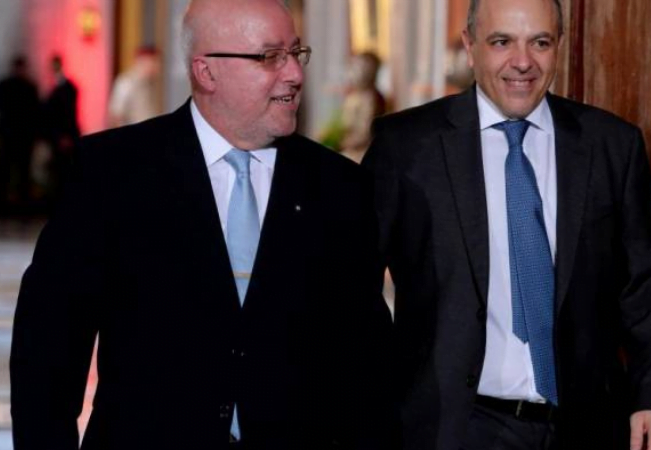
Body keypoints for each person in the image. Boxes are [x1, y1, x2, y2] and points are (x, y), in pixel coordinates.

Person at [11, 1, 396, 449]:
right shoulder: (113, 172)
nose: (294, 73)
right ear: (206, 71)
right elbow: (48, 347)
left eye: (296, 53)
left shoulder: (339, 186)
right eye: (270, 57)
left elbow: (366, 364)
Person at [363, 0, 651, 449]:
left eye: (540, 43)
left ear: (559, 46)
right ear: (470, 46)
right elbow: (350, 286)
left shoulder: (611, 146)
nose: (523, 62)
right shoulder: (407, 147)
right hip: (452, 429)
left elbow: (649, 286)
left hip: (586, 427)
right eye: (502, 42)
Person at [0, 56, 40, 210]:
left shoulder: (7, 86)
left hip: (14, 135)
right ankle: (20, 202)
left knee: (15, 169)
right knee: (18, 169)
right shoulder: (28, 87)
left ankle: (13, 202)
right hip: (20, 135)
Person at [42, 54, 80, 202]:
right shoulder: (60, 86)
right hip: (59, 136)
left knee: (64, 171)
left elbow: (67, 114)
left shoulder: (65, 88)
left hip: (63, 136)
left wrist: (65, 135)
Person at [339, 51, 386, 163]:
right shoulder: (353, 96)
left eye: (362, 67)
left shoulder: (372, 98)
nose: (356, 72)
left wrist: (343, 142)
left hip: (362, 153)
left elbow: (365, 133)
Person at [107, 45, 161, 128]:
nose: (157, 66)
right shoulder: (126, 82)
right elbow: (116, 115)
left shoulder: (150, 84)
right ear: (142, 61)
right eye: (154, 62)